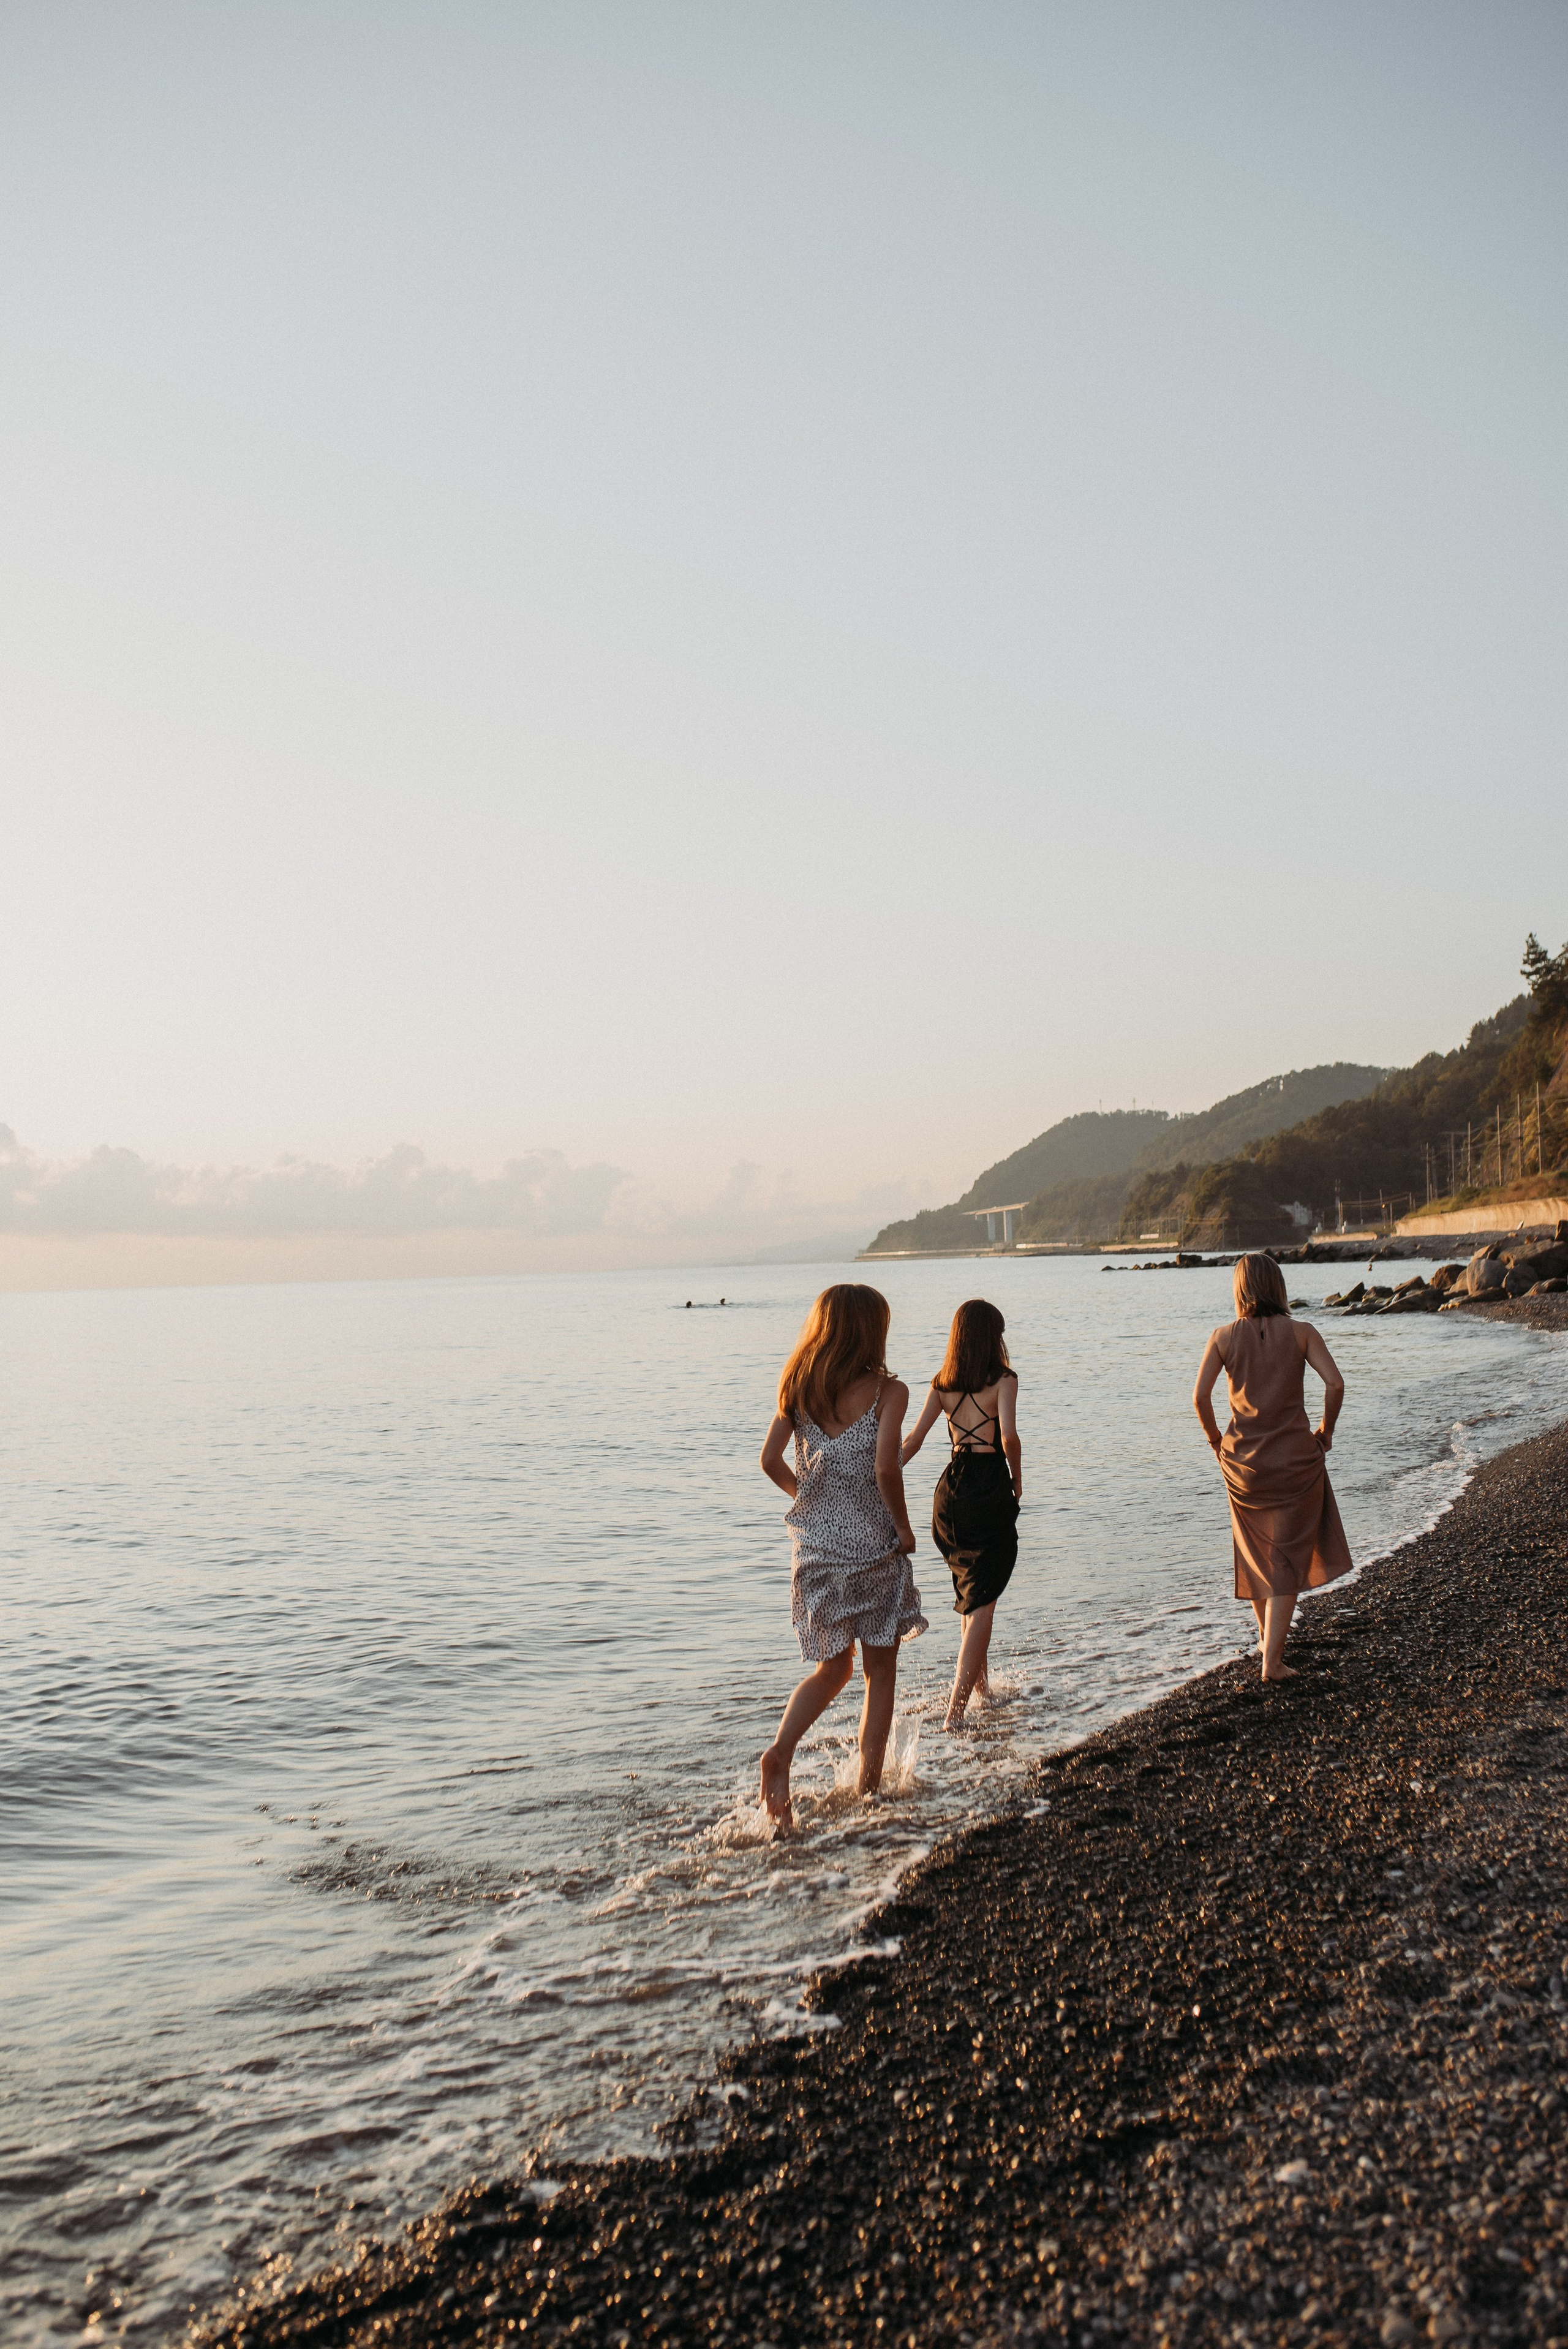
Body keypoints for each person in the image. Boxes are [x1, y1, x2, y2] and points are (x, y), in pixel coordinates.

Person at [758, 1283, 925, 1830]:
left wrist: (808, 1503)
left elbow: (770, 1459)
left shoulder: (798, 1385)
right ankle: (868, 1793)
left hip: (815, 1555)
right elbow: (885, 1468)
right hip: (873, 1551)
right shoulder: (889, 1392)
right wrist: (902, 1526)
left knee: (834, 1669)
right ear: (872, 1330)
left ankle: (781, 1750)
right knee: (880, 1672)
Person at [1192, 1253, 1352, 1681]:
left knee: (1256, 1553)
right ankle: (1272, 1662)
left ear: (1240, 1290)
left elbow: (1200, 1397)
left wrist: (1216, 1443)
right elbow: (1335, 1383)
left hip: (1242, 1464)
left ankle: (1268, 1642)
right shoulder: (1302, 1332)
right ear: (1278, 1287)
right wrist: (1326, 1431)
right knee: (1286, 1558)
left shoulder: (1223, 1337)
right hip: (1296, 1460)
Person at [901, 1298, 1021, 1729]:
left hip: (949, 1495)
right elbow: (1009, 1438)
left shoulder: (941, 1384)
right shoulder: (1004, 1381)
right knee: (984, 1600)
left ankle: (983, 1690)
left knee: (973, 1593)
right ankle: (955, 1714)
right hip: (987, 1488)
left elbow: (911, 1444)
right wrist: (1017, 1483)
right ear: (991, 1338)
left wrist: (875, 1474)